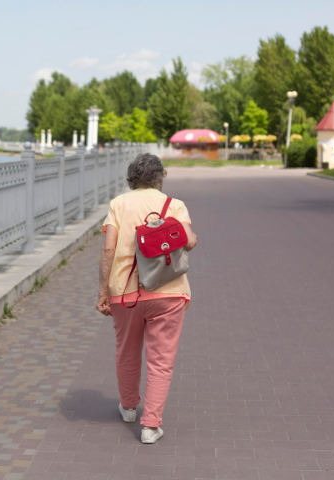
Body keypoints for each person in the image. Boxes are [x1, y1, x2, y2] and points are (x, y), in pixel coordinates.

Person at [96, 153, 197, 444]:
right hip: (168, 291)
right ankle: (150, 426)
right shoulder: (174, 205)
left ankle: (129, 407)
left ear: (132, 178)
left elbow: (108, 249)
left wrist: (103, 290)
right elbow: (189, 241)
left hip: (125, 292)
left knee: (126, 351)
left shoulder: (118, 203)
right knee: (161, 360)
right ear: (159, 177)